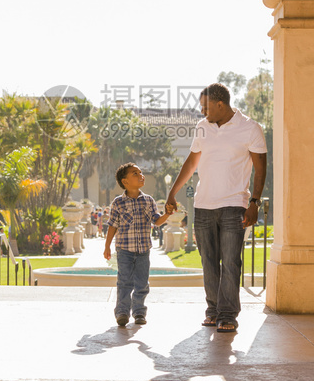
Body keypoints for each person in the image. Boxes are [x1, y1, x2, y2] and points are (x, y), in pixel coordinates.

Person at [167, 83, 267, 333]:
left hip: (234, 205)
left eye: (206, 107)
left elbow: (260, 167)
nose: (202, 112)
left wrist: (254, 201)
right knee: (208, 262)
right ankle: (213, 310)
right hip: (203, 205)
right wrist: (172, 191)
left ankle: (228, 314)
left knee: (231, 262)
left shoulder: (250, 128)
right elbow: (192, 162)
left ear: (220, 104)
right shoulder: (202, 127)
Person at [103, 162, 171, 326]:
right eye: (135, 173)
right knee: (124, 281)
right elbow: (112, 225)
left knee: (142, 282)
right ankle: (122, 312)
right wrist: (107, 246)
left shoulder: (148, 201)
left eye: (141, 172)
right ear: (125, 181)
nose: (141, 175)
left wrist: (167, 214)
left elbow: (157, 221)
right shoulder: (118, 203)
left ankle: (139, 312)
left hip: (143, 250)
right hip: (124, 250)